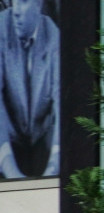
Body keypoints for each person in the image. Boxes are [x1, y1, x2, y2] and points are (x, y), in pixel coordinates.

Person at [0, 0, 59, 178]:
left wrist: (54, 163)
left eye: (23, 1)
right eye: (13, 1)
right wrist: (10, 170)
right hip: (6, 138)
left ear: (39, 5)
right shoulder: (1, 26)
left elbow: (62, 101)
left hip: (41, 137)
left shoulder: (54, 36)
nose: (15, 10)